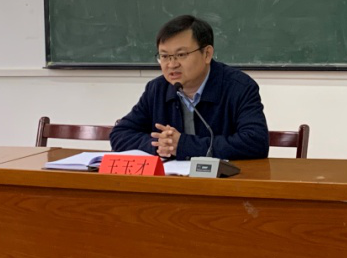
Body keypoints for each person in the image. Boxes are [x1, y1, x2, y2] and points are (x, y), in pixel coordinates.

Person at [110, 15, 269, 160]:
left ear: (207, 54)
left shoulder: (239, 87)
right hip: (171, 179)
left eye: (181, 55)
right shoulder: (157, 89)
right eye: (164, 56)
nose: (172, 64)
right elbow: (120, 134)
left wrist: (184, 145)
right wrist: (161, 145)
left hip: (223, 179)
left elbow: (256, 142)